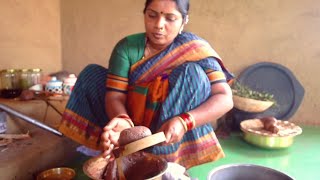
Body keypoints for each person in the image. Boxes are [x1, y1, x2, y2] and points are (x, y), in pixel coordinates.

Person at [59, 0, 234, 170]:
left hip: (170, 128)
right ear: (144, 14)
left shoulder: (196, 49)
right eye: (152, 15)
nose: (159, 25)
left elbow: (225, 98)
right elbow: (115, 95)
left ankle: (167, 160)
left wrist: (184, 122)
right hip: (133, 120)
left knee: (192, 74)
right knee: (92, 74)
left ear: (184, 21)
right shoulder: (127, 48)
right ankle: (125, 146)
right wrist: (122, 120)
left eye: (170, 18)